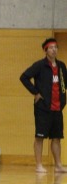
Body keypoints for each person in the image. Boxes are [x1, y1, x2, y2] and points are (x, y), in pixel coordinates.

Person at [20, 38, 67, 173]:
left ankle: (58, 165)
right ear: (46, 50)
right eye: (51, 47)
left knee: (57, 137)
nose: (54, 50)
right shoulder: (39, 65)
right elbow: (24, 77)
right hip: (43, 108)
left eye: (56, 47)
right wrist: (35, 92)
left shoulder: (62, 66)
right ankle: (39, 165)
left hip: (57, 108)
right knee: (40, 137)